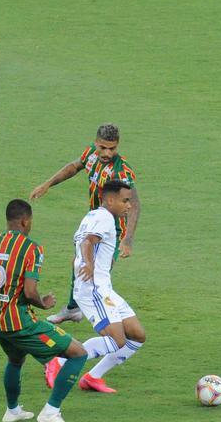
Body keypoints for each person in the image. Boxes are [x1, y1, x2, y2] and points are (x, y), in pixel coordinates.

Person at [0, 200, 103, 422]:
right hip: (20, 323)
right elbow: (29, 292)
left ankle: (13, 410)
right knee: (78, 353)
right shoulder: (31, 248)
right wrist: (43, 303)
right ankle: (51, 412)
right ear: (25, 221)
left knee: (16, 359)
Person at [29, 123, 140, 324]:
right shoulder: (91, 154)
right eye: (103, 147)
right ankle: (74, 309)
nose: (107, 153)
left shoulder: (121, 172)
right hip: (94, 221)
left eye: (112, 148)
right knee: (79, 263)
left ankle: (112, 318)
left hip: (112, 229)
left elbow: (134, 204)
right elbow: (73, 167)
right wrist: (47, 184)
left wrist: (128, 239)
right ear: (96, 143)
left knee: (99, 273)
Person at [44, 179, 145, 394]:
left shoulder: (92, 216)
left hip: (103, 288)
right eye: (125, 201)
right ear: (110, 200)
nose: (129, 206)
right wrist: (89, 265)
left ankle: (92, 377)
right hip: (94, 290)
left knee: (137, 335)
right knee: (117, 340)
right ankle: (58, 362)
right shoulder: (105, 219)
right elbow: (87, 242)